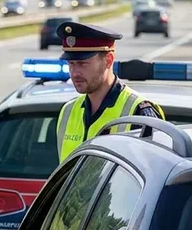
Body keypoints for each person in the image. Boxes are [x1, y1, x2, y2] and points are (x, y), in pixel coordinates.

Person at [53, 21, 165, 161]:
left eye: (82, 64)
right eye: (71, 64)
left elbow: (155, 173)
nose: (75, 73)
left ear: (108, 60)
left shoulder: (139, 112)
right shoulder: (68, 111)